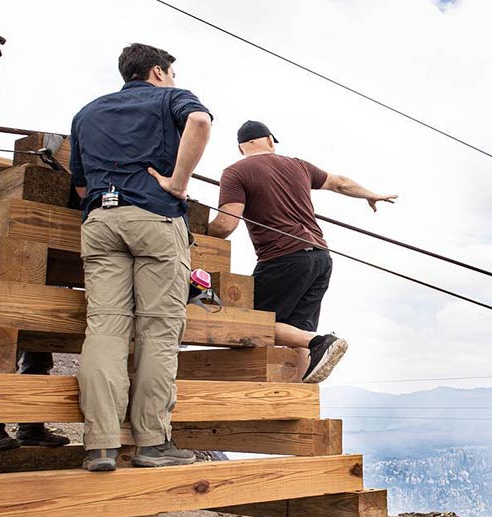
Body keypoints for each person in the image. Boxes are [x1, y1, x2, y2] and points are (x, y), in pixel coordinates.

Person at [69, 43, 212, 472]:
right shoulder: (171, 97)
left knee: (105, 328)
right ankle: (151, 443)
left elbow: (79, 186)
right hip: (155, 218)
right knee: (159, 331)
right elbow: (200, 121)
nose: (171, 77)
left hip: (100, 221)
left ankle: (100, 446)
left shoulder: (87, 113)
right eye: (170, 72)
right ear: (157, 71)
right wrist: (177, 182)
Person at [209, 121, 396, 383]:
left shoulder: (235, 172)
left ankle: (321, 341)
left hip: (282, 258)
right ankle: (299, 393)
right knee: (296, 333)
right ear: (270, 141)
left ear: (241, 148)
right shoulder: (299, 166)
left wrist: (192, 236)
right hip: (320, 257)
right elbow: (340, 183)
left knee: (251, 322)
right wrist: (370, 194)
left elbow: (226, 223)